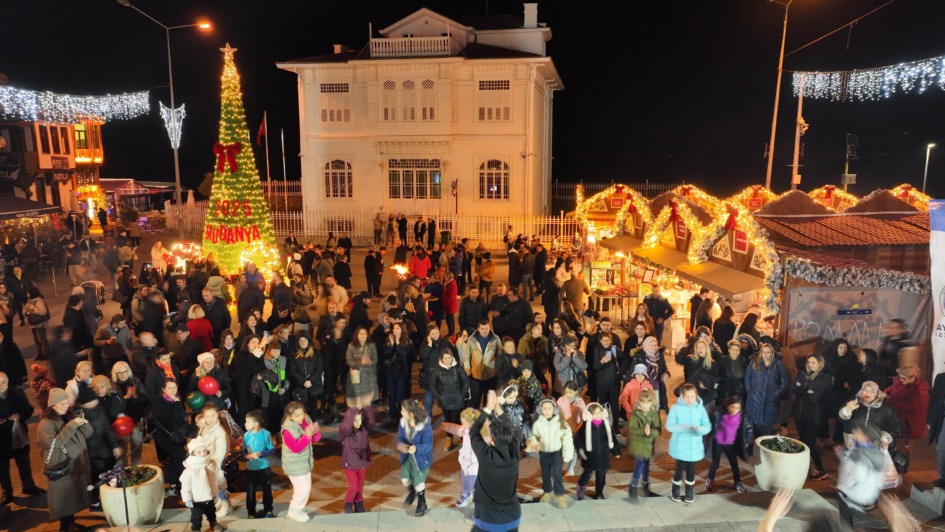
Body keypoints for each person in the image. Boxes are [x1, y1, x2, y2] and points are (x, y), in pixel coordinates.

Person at [38, 388, 93, 532]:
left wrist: (82, 421)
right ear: (52, 405)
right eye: (62, 404)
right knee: (64, 498)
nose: (66, 406)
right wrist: (71, 425)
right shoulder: (45, 424)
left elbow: (87, 433)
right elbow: (54, 443)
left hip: (75, 463)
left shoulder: (68, 415)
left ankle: (70, 525)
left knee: (71, 496)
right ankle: (64, 528)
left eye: (67, 402)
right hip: (62, 465)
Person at [0, 371, 43, 505]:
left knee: (23, 462)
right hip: (1, 440)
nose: (1, 385)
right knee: (2, 468)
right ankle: (7, 493)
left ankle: (29, 486)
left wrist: (19, 415)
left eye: (3, 382)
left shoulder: (17, 393)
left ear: (8, 382)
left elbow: (28, 409)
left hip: (18, 435)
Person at [526, 398, 574, 509]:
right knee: (545, 473)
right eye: (544, 408)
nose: (547, 411)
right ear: (540, 409)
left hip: (556, 452)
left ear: (554, 409)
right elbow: (533, 436)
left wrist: (567, 454)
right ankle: (547, 492)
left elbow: (567, 439)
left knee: (557, 473)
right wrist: (534, 443)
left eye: (549, 408)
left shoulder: (561, 423)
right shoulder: (538, 423)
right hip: (543, 452)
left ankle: (560, 495)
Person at [666, 383, 711, 503]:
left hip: (694, 446)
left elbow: (707, 426)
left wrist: (699, 429)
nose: (689, 399)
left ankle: (689, 491)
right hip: (680, 445)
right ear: (682, 396)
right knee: (679, 469)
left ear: (696, 396)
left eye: (692, 396)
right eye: (687, 396)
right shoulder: (676, 408)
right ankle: (675, 489)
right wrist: (683, 427)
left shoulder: (700, 409)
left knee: (691, 470)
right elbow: (669, 425)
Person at [791, 353, 831, 480]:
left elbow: (815, 398)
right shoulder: (803, 374)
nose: (810, 365)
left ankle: (820, 469)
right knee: (802, 442)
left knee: (809, 443)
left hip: (814, 415)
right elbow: (793, 388)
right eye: (809, 362)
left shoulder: (825, 378)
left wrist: (801, 389)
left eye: (813, 362)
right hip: (799, 413)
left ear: (820, 363)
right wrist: (806, 390)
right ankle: (805, 466)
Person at [281, 401, 321, 522]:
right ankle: (294, 511)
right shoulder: (287, 430)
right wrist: (307, 435)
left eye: (301, 414)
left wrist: (315, 432)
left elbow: (315, 438)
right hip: (294, 465)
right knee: (303, 489)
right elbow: (295, 448)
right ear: (289, 416)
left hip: (303, 462)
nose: (301, 417)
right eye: (297, 415)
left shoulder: (305, 419)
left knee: (305, 488)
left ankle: (298, 508)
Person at [705, 396, 752, 493]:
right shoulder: (719, 414)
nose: (735, 410)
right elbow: (708, 422)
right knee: (715, 463)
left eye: (737, 408)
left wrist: (747, 441)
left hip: (730, 444)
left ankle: (737, 483)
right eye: (732, 407)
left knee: (734, 464)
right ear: (727, 406)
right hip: (718, 442)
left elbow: (748, 429)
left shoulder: (743, 417)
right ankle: (709, 480)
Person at [180, 436, 228, 532]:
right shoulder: (190, 469)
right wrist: (187, 498)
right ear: (193, 453)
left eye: (204, 451)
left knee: (211, 512)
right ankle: (196, 529)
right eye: (199, 452)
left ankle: (213, 523)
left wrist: (223, 487)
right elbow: (185, 486)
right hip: (196, 499)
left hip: (210, 495)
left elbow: (218, 474)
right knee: (196, 516)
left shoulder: (211, 463)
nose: (203, 454)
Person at [396, 398, 434, 517]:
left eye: (403, 411)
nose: (401, 412)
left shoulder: (424, 427)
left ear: (411, 414)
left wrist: (416, 449)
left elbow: (428, 445)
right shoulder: (403, 423)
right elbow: (400, 438)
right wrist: (401, 445)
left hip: (421, 459)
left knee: (418, 482)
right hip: (408, 457)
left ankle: (422, 503)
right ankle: (412, 491)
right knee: (405, 479)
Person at [882, 364, 928, 462]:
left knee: (903, 449)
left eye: (903, 378)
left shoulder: (921, 392)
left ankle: (901, 466)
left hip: (908, 424)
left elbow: (912, 409)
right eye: (899, 377)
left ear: (912, 378)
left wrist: (891, 400)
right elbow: (892, 388)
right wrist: (884, 393)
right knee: (893, 445)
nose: (900, 380)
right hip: (896, 419)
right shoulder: (902, 382)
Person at [574, 402, 619, 500]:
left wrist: (616, 451)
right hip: (590, 456)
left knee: (601, 476)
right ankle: (581, 489)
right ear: (589, 415)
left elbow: (612, 439)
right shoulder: (585, 427)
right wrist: (581, 451)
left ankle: (599, 492)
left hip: (603, 456)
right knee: (587, 474)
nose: (598, 415)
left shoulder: (606, 425)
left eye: (599, 412)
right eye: (595, 413)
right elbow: (578, 440)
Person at [838, 381, 902, 449]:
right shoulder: (854, 402)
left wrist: (885, 437)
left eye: (872, 391)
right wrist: (847, 410)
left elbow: (895, 426)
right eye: (865, 390)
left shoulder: (884, 408)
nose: (868, 393)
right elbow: (841, 420)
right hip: (852, 442)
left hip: (875, 445)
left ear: (877, 393)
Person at [152, 379, 188, 496]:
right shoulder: (159, 402)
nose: (172, 390)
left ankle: (174, 485)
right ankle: (177, 484)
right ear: (163, 389)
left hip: (178, 436)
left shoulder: (177, 398)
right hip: (167, 437)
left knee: (175, 459)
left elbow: (181, 417)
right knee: (181, 456)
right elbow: (171, 419)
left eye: (174, 387)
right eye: (169, 388)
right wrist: (177, 404)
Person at [743, 343, 788, 437]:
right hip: (755, 400)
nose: (765, 354)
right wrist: (750, 391)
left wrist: (776, 393)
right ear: (760, 353)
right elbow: (747, 377)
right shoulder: (754, 363)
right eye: (763, 352)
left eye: (768, 352)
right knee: (754, 429)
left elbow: (784, 382)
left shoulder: (778, 365)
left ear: (772, 353)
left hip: (770, 402)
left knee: (766, 431)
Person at [440, 408, 481, 508]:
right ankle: (468, 493)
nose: (462, 424)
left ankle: (470, 495)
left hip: (474, 463)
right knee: (466, 479)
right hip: (466, 461)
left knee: (472, 480)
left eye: (463, 422)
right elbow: (456, 429)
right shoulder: (465, 429)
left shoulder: (481, 433)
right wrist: (444, 425)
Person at [430, 349, 469, 451]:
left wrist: (462, 395)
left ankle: (464, 436)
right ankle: (449, 439)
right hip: (445, 400)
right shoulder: (437, 370)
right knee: (447, 420)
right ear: (441, 359)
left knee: (455, 419)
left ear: (452, 358)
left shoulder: (458, 368)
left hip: (457, 399)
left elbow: (466, 382)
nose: (447, 360)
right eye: (445, 358)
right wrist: (439, 397)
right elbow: (432, 386)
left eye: (449, 357)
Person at [340, 404, 375, 513]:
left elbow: (370, 420)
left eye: (359, 420)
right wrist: (352, 412)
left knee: (360, 486)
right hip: (350, 464)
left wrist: (365, 405)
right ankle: (348, 502)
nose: (358, 423)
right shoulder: (346, 432)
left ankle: (359, 503)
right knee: (353, 487)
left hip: (362, 463)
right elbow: (345, 426)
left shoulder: (364, 428)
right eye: (354, 421)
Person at [627, 388, 660, 502]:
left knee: (646, 466)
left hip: (648, 446)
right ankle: (633, 488)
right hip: (638, 445)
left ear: (651, 402)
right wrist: (643, 431)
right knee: (640, 465)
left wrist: (651, 432)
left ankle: (646, 488)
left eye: (648, 403)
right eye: (643, 403)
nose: (645, 405)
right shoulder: (635, 414)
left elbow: (658, 430)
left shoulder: (654, 414)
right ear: (639, 402)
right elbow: (632, 429)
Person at [242, 409, 275, 519]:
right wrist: (247, 456)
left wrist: (261, 453)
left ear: (256, 424)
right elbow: (243, 452)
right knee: (250, 492)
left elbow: (272, 449)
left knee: (266, 490)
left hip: (264, 468)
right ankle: (251, 512)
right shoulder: (246, 435)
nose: (245, 424)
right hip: (251, 469)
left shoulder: (266, 434)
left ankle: (268, 510)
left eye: (248, 422)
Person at [465, 319, 501, 409]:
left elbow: (500, 355)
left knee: (488, 402)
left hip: (490, 376)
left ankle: (486, 417)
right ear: (478, 329)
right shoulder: (471, 339)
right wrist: (467, 369)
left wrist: (497, 369)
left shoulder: (496, 339)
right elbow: (466, 356)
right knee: (474, 401)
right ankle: (474, 417)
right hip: (475, 376)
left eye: (486, 328)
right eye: (482, 328)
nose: (485, 331)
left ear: (489, 328)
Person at [345, 326, 378, 409]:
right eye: (361, 334)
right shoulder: (351, 345)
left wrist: (370, 362)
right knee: (357, 401)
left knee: (367, 401)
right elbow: (349, 361)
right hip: (356, 376)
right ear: (357, 335)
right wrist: (360, 362)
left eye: (365, 334)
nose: (363, 335)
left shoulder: (371, 345)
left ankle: (366, 414)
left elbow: (375, 359)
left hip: (369, 376)